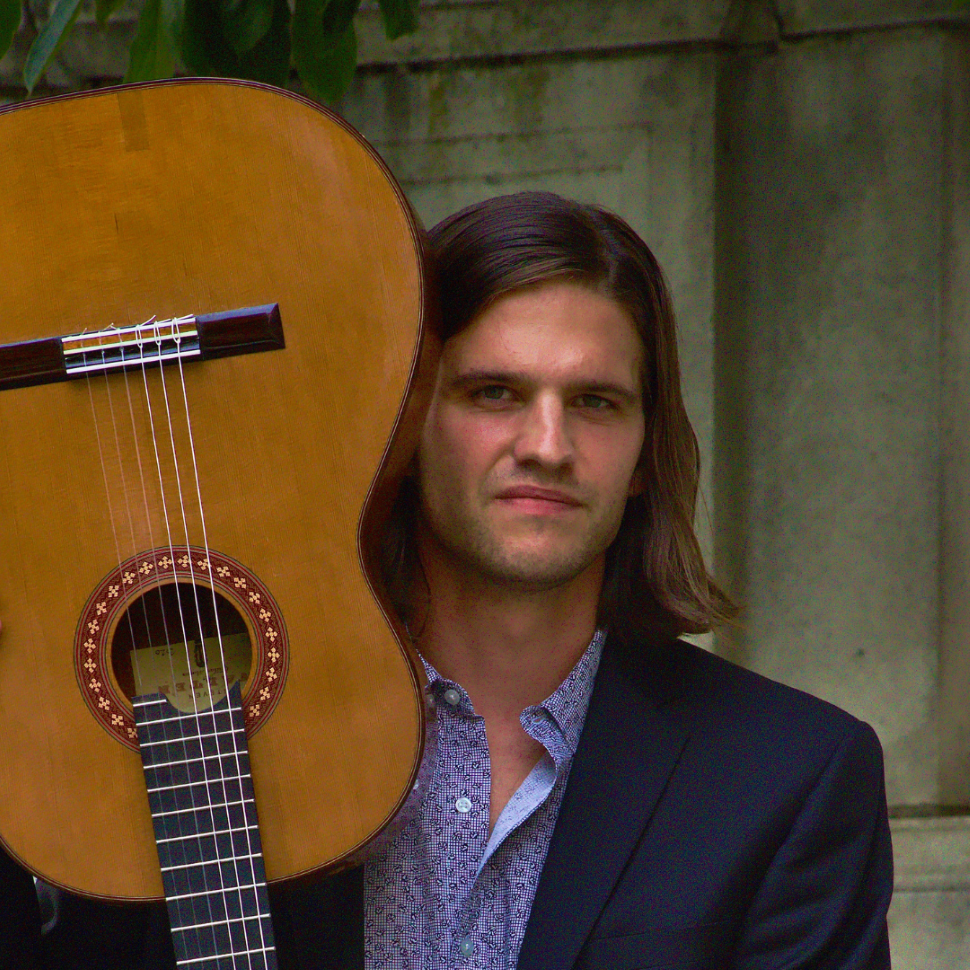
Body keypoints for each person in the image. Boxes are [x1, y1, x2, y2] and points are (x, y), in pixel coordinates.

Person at [0, 191, 892, 969]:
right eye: (493, 393)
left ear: (643, 455)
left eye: (595, 402)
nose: (547, 445)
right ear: (401, 421)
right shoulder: (215, 737)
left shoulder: (789, 779)